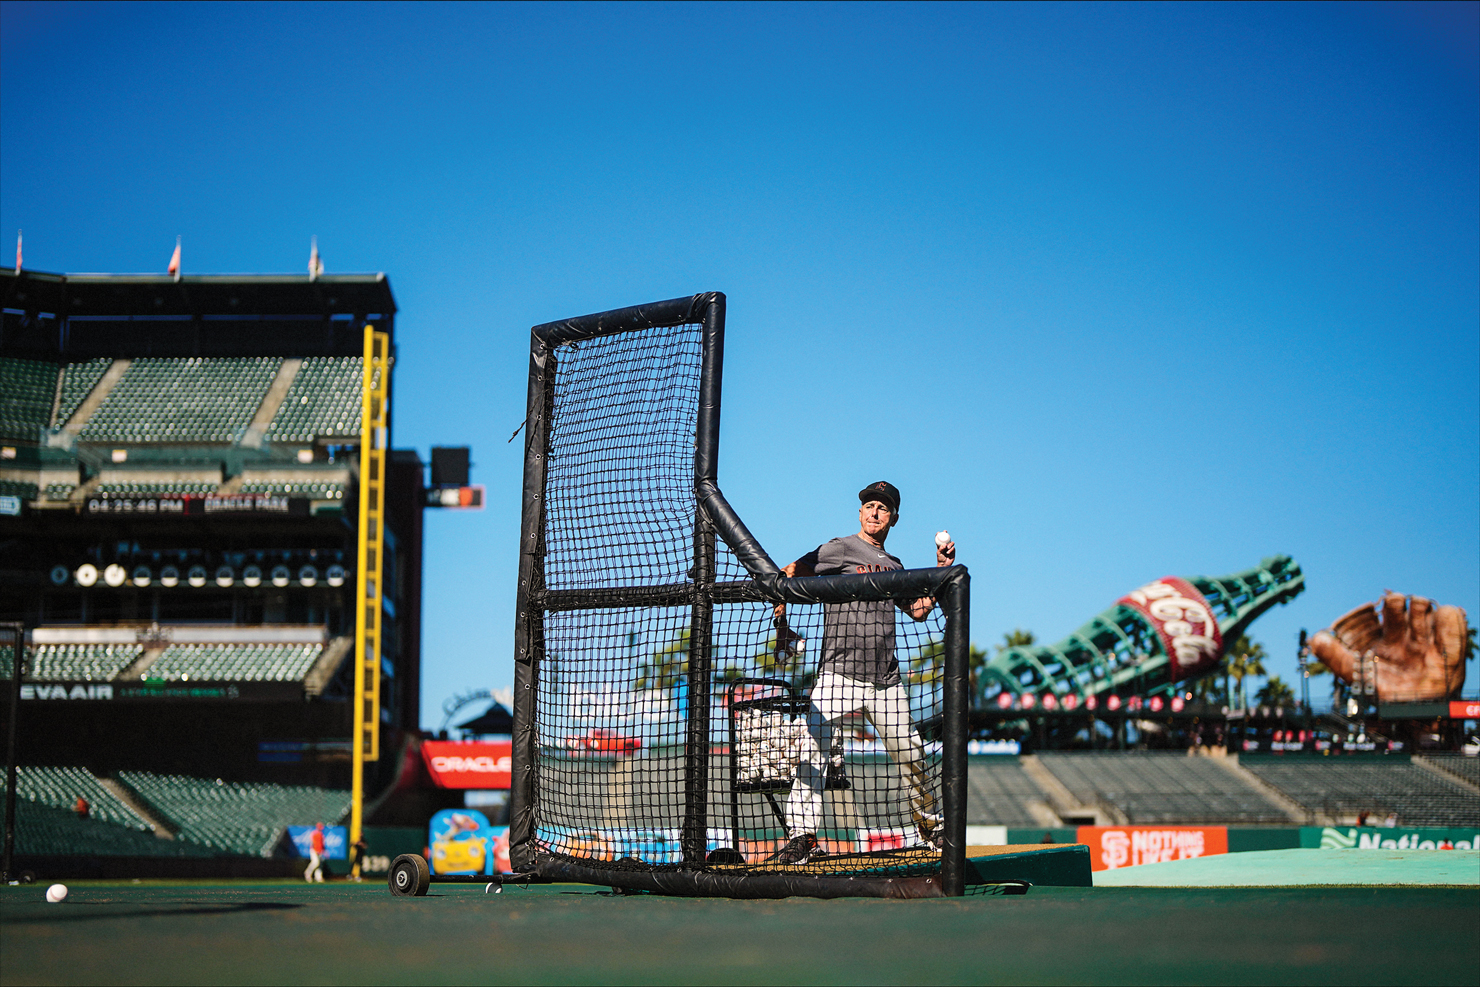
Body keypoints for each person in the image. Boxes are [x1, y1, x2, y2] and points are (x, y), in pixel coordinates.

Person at [770, 481, 956, 865]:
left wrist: (942, 570)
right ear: (860, 512)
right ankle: (803, 836)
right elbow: (791, 572)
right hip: (837, 674)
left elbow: (919, 611)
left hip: (885, 680)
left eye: (883, 508)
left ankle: (929, 827)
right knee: (812, 751)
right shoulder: (839, 548)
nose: (875, 512)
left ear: (894, 519)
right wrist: (782, 621)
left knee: (913, 755)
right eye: (870, 505)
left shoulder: (895, 566)